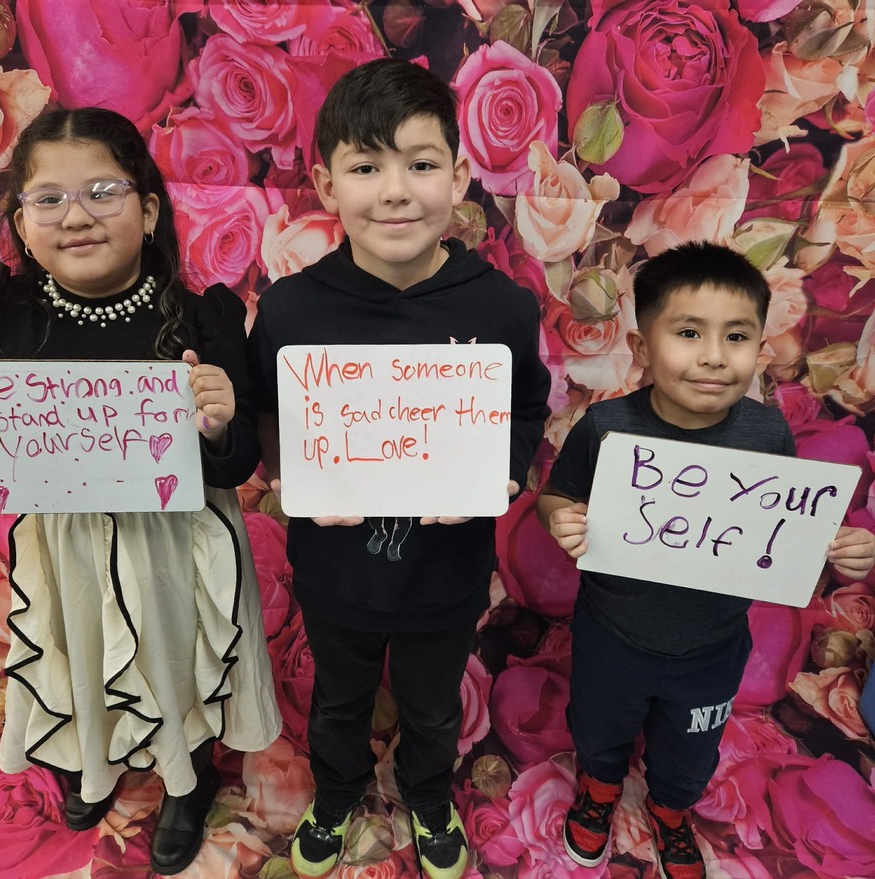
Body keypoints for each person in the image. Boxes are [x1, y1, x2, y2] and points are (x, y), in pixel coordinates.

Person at [0, 108, 281, 875]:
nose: (78, 215)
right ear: (23, 220)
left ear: (148, 208)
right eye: (50, 199)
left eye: (104, 191)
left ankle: (185, 779)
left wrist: (219, 420)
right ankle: (89, 763)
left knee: (176, 660)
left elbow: (236, 467)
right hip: (63, 541)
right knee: (77, 654)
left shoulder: (206, 314)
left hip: (176, 544)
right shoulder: (9, 314)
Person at [248, 59, 551, 879]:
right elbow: (268, 416)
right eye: (365, 166)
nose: (395, 191)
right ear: (325, 182)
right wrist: (291, 476)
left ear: (458, 176)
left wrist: (502, 474)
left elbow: (526, 412)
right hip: (335, 566)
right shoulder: (290, 310)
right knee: (338, 697)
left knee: (430, 700)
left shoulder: (503, 309)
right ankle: (338, 792)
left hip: (447, 572)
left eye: (420, 165)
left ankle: (427, 795)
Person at [536, 241, 875, 879]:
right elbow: (553, 494)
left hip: (713, 645)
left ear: (759, 349)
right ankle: (600, 789)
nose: (714, 356)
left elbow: (785, 524)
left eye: (738, 336)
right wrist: (559, 516)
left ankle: (670, 811)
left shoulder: (767, 433)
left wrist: (844, 547)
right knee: (600, 726)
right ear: (641, 350)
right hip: (613, 634)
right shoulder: (606, 428)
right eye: (689, 332)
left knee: (690, 748)